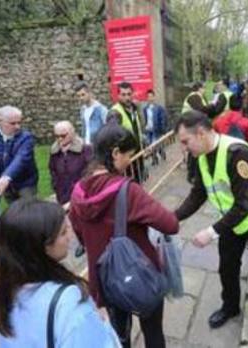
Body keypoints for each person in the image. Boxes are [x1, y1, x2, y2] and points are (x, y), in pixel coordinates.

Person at [174, 111, 248, 348]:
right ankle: (230, 307)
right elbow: (198, 195)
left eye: (185, 142)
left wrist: (210, 232)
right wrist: (171, 219)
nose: (184, 148)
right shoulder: (201, 156)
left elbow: (244, 206)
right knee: (227, 268)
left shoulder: (238, 153)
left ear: (201, 133)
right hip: (232, 223)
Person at [69, 125, 179, 348]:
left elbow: (80, 235)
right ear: (115, 153)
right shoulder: (128, 190)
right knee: (153, 333)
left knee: (119, 336)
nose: (130, 161)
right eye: (129, 155)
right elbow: (171, 224)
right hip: (141, 272)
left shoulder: (77, 191)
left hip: (103, 278)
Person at [0, 199, 120, 347]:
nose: (70, 236)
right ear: (40, 248)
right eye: (62, 233)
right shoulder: (69, 304)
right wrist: (102, 324)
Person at [107, 82, 146, 182]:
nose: (127, 97)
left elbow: (140, 127)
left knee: (138, 183)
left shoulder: (133, 108)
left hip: (137, 155)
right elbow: (112, 137)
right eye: (123, 95)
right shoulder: (115, 112)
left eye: (129, 94)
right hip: (125, 158)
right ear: (118, 95)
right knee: (127, 187)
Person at [49, 121, 92, 205]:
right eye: (57, 136)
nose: (60, 139)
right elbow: (52, 170)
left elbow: (91, 172)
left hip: (81, 196)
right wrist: (56, 185)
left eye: (63, 136)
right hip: (62, 195)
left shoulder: (85, 149)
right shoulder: (54, 151)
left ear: (72, 133)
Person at [75, 81, 108, 145]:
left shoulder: (101, 109)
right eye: (78, 96)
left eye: (83, 94)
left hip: (98, 146)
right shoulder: (82, 109)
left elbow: (107, 130)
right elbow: (85, 128)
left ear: (89, 93)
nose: (81, 98)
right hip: (86, 146)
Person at [142, 89, 167, 166]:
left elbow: (162, 119)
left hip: (156, 129)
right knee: (150, 145)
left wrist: (163, 129)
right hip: (149, 129)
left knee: (155, 144)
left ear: (154, 97)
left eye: (151, 96)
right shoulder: (145, 108)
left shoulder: (159, 108)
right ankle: (154, 159)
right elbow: (146, 119)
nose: (150, 98)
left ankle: (161, 152)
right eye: (148, 97)